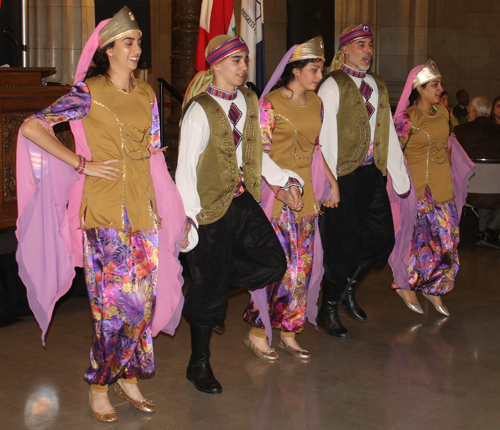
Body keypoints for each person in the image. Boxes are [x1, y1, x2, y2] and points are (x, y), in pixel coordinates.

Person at [17, 8, 186, 423]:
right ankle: (98, 383)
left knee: (142, 303)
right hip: (105, 212)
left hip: (144, 212)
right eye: (128, 42)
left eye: (140, 42)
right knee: (115, 307)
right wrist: (79, 163)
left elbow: (153, 154)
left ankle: (130, 376)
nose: (136, 50)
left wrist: (172, 208)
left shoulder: (146, 93)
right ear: (107, 49)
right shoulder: (86, 92)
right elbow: (32, 126)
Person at [176, 35, 304, 394]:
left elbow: (255, 154)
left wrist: (283, 180)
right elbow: (185, 167)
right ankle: (198, 363)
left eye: (245, 59)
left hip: (241, 200)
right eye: (235, 61)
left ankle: (210, 285)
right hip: (208, 207)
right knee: (208, 291)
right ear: (215, 64)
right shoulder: (199, 109)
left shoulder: (249, 100)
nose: (243, 66)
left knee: (273, 261)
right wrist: (188, 216)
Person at [243, 37, 339, 360]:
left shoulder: (317, 104)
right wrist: (281, 190)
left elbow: (315, 149)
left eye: (321, 69)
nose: (319, 75)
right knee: (280, 268)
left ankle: (289, 329)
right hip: (277, 199)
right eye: (314, 69)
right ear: (295, 70)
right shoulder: (269, 104)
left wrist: (331, 183)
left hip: (307, 199)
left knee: (304, 268)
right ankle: (258, 329)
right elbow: (258, 155)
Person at [317, 24, 411, 338]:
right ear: (344, 49)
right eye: (360, 44)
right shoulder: (333, 85)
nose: (367, 50)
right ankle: (327, 306)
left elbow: (388, 132)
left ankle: (346, 288)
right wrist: (330, 183)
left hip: (372, 174)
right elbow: (325, 135)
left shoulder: (378, 85)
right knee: (342, 245)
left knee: (383, 239)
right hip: (343, 175)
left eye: (370, 44)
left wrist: (398, 174)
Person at [390, 59, 474, 316]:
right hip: (419, 189)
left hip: (443, 187)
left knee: (447, 240)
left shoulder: (444, 113)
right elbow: (395, 156)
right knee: (419, 242)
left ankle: (434, 287)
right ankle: (407, 286)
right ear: (419, 88)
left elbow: (447, 146)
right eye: (435, 84)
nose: (440, 89)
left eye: (440, 84)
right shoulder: (406, 119)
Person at [455, 96, 500, 248]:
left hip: (469, 192)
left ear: (473, 112)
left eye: (468, 112)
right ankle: (488, 232)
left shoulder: (460, 131)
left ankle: (485, 232)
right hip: (496, 193)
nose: (467, 115)